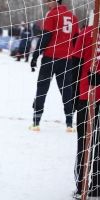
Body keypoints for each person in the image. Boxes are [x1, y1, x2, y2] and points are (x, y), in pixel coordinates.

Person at [29, 0, 79, 132]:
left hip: (51, 58)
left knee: (42, 88)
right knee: (66, 91)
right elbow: (75, 38)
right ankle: (69, 124)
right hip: (66, 59)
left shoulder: (52, 14)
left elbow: (46, 37)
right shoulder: (73, 17)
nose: (46, 3)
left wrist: (35, 56)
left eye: (48, 1)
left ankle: (36, 122)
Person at [72, 25, 100, 199]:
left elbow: (75, 65)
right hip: (86, 94)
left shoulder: (88, 30)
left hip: (86, 94)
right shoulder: (87, 31)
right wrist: (75, 95)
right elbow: (75, 64)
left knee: (87, 142)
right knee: (84, 141)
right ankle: (82, 185)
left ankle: (93, 184)